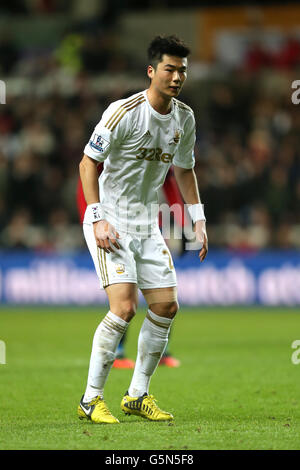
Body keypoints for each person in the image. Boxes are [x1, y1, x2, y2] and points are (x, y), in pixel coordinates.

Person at [77, 35, 208, 424]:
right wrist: (97, 216)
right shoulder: (123, 112)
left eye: (182, 69)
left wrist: (198, 218)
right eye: (169, 68)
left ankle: (137, 395)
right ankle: (90, 399)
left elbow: (184, 170)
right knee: (124, 309)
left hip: (147, 222)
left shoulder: (184, 118)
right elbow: (87, 164)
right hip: (110, 221)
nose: (176, 76)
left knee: (166, 306)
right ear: (152, 71)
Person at [77, 163, 185, 369]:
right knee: (126, 296)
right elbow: (86, 173)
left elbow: (170, 182)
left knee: (166, 295)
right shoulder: (114, 139)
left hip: (151, 225)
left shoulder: (165, 139)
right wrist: (91, 221)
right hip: (114, 225)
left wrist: (181, 222)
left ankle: (162, 351)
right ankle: (117, 351)